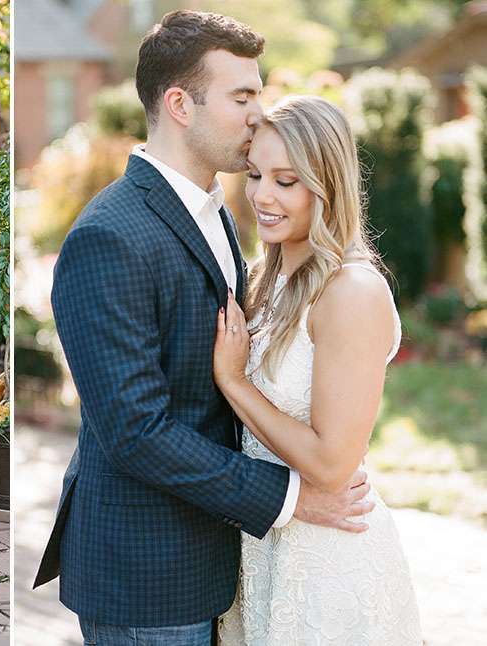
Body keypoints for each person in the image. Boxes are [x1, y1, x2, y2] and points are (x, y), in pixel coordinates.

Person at [33, 11, 374, 645]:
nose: (256, 114)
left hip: (214, 560)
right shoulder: (110, 236)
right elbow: (136, 431)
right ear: (180, 104)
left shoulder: (219, 214)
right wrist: (292, 499)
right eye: (241, 96)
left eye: (258, 95)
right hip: (146, 574)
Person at [214, 95, 422, 644]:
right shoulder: (263, 279)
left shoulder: (351, 291)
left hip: (329, 562)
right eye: (256, 174)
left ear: (327, 186)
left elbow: (332, 465)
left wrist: (234, 382)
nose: (262, 195)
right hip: (263, 551)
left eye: (287, 181)